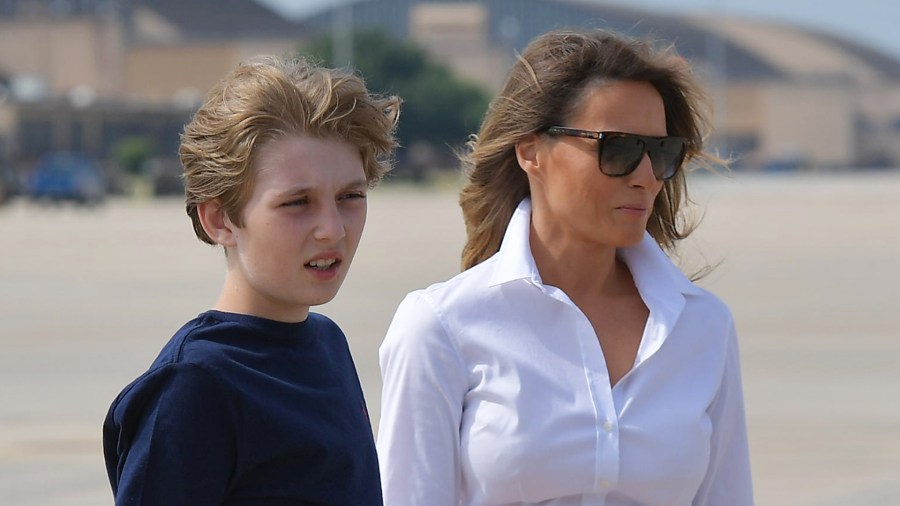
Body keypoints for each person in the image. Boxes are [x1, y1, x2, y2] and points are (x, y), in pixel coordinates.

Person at [376, 28, 753, 506]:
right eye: (617, 148)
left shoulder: (702, 326)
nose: (645, 177)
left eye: (661, 153)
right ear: (531, 150)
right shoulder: (440, 327)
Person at [103, 55, 399, 505]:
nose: (333, 229)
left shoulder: (327, 344)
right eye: (298, 203)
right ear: (220, 218)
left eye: (350, 197)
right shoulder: (194, 387)